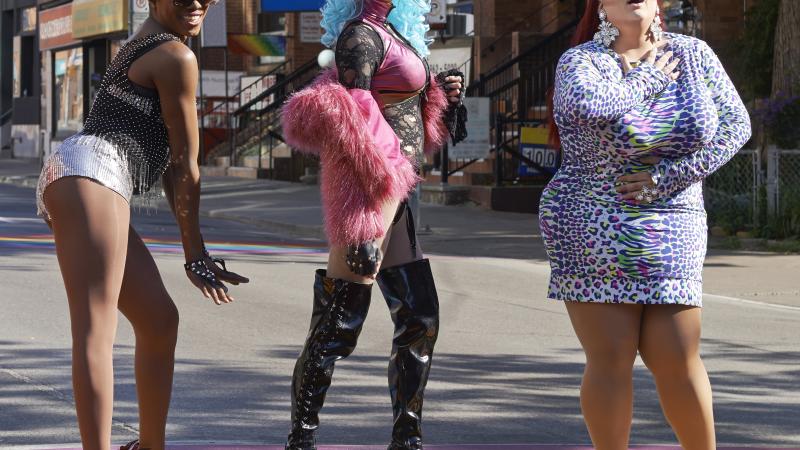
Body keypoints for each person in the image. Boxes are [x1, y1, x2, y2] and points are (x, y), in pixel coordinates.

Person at [35, 1, 248, 449]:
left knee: (158, 321)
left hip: (88, 177)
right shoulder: (175, 56)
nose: (195, 3)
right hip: (91, 176)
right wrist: (194, 254)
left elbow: (173, 166)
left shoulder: (147, 44)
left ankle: (150, 446)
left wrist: (196, 251)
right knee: (96, 330)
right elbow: (187, 166)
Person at [540, 0, 751, 449]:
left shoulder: (693, 53)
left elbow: (737, 127)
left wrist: (668, 177)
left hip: (675, 216)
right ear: (600, 6)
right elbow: (592, 106)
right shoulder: (581, 61)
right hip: (592, 216)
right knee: (612, 356)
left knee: (677, 355)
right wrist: (648, 76)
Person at [280, 0, 465, 448]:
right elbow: (358, 113)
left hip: (395, 187)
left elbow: (397, 103)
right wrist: (391, 173)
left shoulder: (390, 32)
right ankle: (301, 437)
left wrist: (439, 92)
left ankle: (407, 435)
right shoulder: (359, 36)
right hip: (372, 186)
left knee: (420, 318)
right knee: (339, 318)